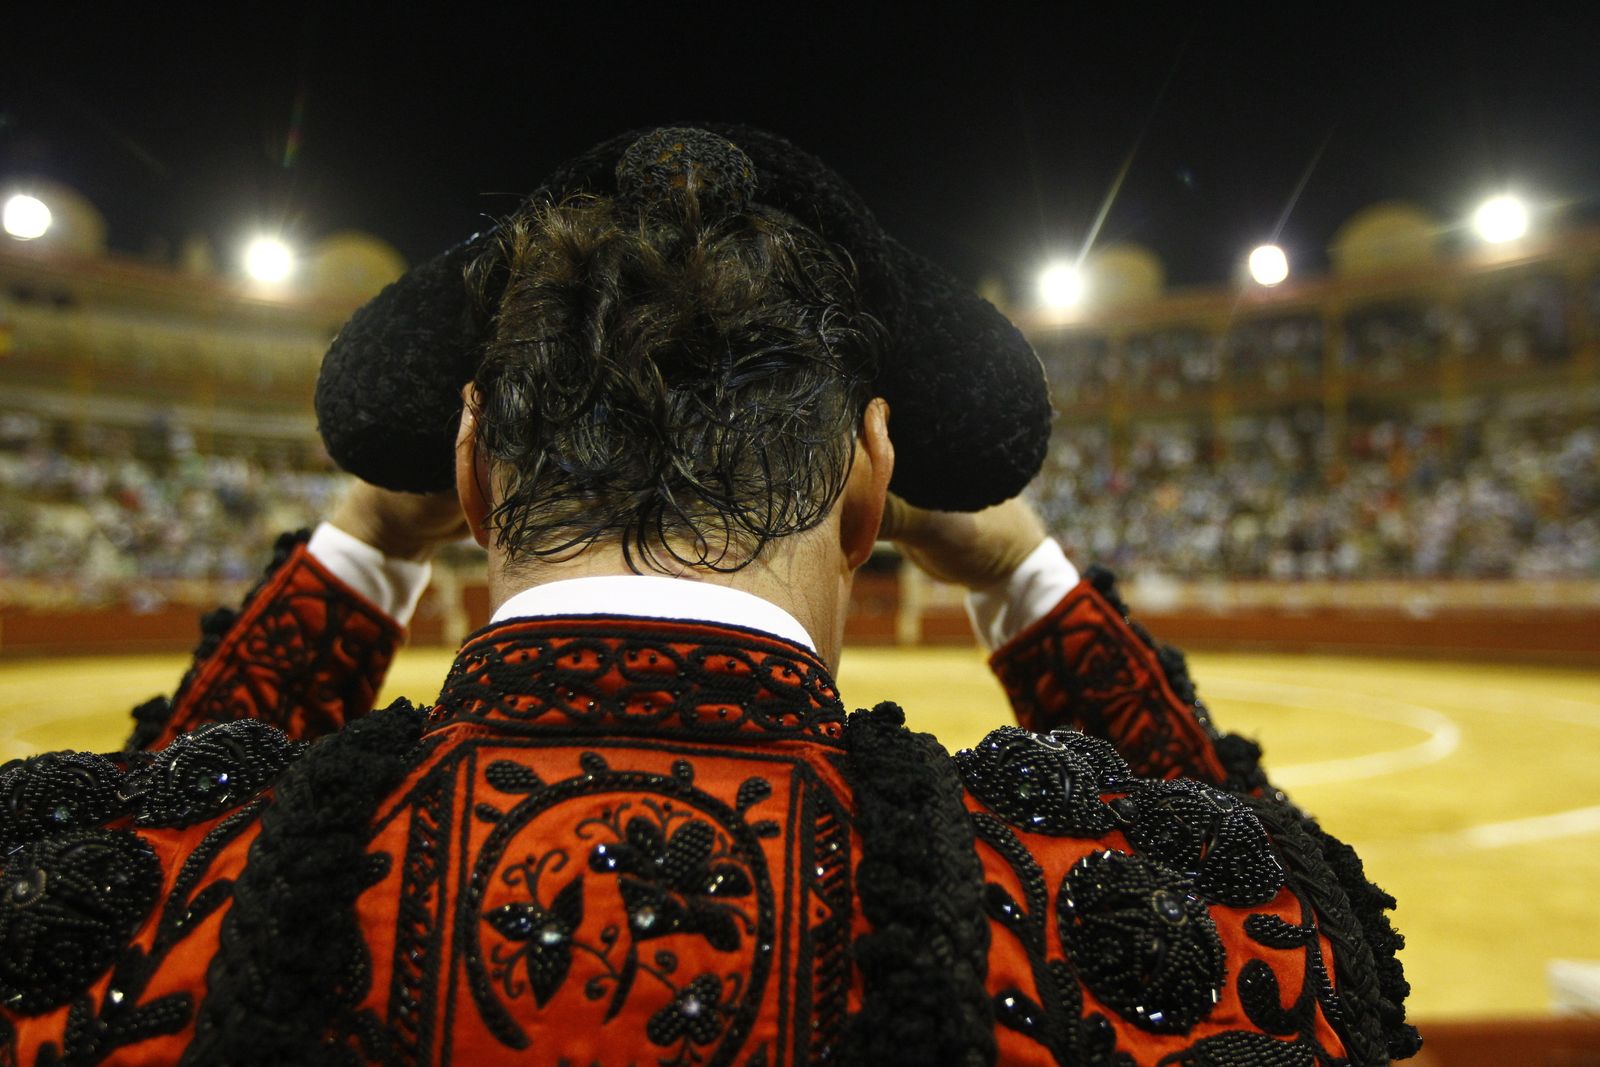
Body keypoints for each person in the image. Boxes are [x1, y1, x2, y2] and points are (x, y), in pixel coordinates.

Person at [0, 130, 1416, 1066]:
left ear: (473, 473)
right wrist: (1023, 578)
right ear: (870, 488)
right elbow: (1276, 908)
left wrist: (360, 545)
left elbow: (113, 857)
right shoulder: (1100, 937)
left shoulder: (136, 915)